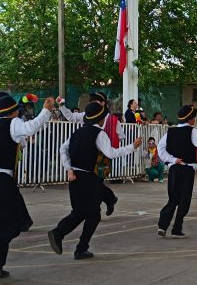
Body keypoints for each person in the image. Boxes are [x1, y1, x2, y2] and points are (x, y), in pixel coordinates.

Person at [0, 93, 55, 279]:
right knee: (13, 225)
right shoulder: (13, 124)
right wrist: (46, 110)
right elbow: (31, 127)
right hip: (1, 180)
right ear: (14, 112)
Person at [47, 102, 141, 259]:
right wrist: (132, 146)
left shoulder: (77, 133)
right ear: (101, 118)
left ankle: (64, 236)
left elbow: (63, 149)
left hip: (75, 177)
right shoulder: (99, 134)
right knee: (93, 215)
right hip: (88, 179)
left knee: (79, 212)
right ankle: (73, 243)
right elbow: (111, 153)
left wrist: (69, 168)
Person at [155, 105, 197, 237]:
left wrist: (171, 159)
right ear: (191, 119)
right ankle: (177, 228)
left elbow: (160, 148)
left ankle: (163, 225)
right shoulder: (193, 131)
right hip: (187, 170)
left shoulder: (170, 131)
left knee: (173, 198)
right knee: (184, 199)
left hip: (174, 169)